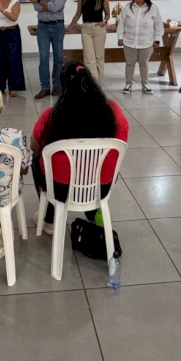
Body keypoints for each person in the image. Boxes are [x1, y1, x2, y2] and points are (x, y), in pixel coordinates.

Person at [30, 62, 129, 234]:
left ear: (63, 87)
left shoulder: (51, 116)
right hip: (100, 187)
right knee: (104, 162)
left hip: (60, 189)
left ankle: (50, 219)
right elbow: (121, 141)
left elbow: (34, 146)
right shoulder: (112, 111)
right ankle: (93, 211)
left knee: (37, 159)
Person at [29, 0, 69, 99]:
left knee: (58, 58)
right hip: (42, 27)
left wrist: (40, 0)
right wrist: (52, 7)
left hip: (58, 27)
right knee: (43, 58)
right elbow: (37, 7)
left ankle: (57, 86)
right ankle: (45, 87)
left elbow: (54, 7)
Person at [117, 0, 165, 95]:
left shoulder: (153, 8)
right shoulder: (128, 7)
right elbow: (121, 23)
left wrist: (157, 39)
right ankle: (128, 84)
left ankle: (145, 84)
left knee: (144, 63)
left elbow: (158, 24)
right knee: (130, 63)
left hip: (146, 42)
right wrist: (120, 37)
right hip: (129, 41)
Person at [67, 0, 110, 85]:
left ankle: (98, 84)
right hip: (86, 28)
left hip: (98, 28)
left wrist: (104, 21)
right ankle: (93, 83)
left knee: (99, 56)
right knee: (89, 58)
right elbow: (78, 14)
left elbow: (108, 14)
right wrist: (70, 26)